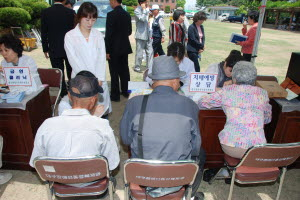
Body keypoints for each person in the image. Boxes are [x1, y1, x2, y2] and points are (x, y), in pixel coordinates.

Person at [120, 56, 205, 200]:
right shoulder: (190, 105)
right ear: (174, 81)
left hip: (143, 175)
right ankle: (186, 196)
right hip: (177, 176)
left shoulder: (134, 103)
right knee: (201, 154)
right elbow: (195, 147)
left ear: (153, 82)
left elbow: (126, 139)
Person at [30, 75, 120, 179]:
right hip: (92, 179)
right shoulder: (102, 125)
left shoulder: (46, 124)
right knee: (114, 143)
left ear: (69, 95)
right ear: (93, 101)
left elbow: (35, 161)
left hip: (59, 180)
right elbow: (113, 164)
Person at [199, 61, 272, 159]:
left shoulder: (227, 91)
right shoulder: (263, 94)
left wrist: (225, 105)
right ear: (254, 79)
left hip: (231, 146)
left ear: (234, 77)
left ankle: (226, 168)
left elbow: (202, 102)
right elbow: (267, 119)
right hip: (257, 149)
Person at [64, 2, 112, 114]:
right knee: (81, 112)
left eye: (93, 20)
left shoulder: (98, 35)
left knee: (100, 112)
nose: (90, 23)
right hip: (81, 81)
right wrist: (89, 79)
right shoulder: (70, 36)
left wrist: (99, 78)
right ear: (80, 17)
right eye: (87, 20)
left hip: (98, 80)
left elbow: (101, 58)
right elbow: (73, 60)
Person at [41, 0, 75, 97]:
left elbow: (44, 32)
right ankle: (73, 91)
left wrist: (45, 48)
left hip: (53, 47)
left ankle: (63, 93)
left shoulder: (46, 12)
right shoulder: (70, 12)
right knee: (71, 70)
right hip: (69, 47)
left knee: (58, 72)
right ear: (64, 0)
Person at [105, 0, 132, 102]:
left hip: (113, 48)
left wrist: (107, 50)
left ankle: (115, 95)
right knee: (125, 70)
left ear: (113, 1)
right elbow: (129, 31)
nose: (109, 3)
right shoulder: (127, 14)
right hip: (124, 47)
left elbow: (109, 34)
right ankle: (126, 91)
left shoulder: (111, 15)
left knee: (114, 72)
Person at [134, 0, 153, 73]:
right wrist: (145, 10)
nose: (147, 3)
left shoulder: (147, 10)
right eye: (146, 2)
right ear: (141, 3)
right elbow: (142, 19)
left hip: (148, 34)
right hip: (140, 35)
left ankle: (149, 68)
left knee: (150, 52)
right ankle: (137, 67)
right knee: (139, 52)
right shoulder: (137, 11)